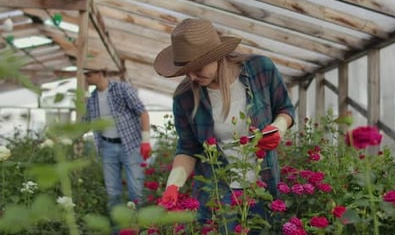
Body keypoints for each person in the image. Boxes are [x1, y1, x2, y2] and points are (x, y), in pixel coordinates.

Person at [153, 18, 295, 233]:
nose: (191, 76)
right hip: (217, 192)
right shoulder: (184, 97)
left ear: (216, 56)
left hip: (262, 185)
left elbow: (285, 108)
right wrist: (173, 184)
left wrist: (278, 128)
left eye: (197, 67)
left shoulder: (260, 70)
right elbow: (188, 148)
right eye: (185, 70)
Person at [82, 61, 152, 215]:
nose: (86, 78)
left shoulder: (122, 89)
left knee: (136, 192)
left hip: (131, 146)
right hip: (107, 147)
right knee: (113, 193)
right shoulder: (92, 98)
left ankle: (139, 227)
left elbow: (143, 112)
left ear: (100, 72)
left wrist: (146, 141)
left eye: (89, 74)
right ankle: (117, 229)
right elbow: (85, 123)